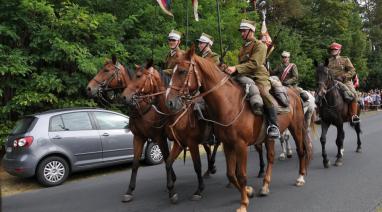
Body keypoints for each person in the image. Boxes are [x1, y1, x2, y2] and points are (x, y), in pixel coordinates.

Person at [225, 19, 280, 138]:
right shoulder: (244, 47)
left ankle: (273, 125)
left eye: (244, 31)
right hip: (244, 76)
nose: (242, 33)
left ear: (251, 31)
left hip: (258, 76)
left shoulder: (260, 45)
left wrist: (235, 68)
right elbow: (242, 64)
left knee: (263, 93)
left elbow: (254, 64)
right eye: (241, 31)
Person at [327, 42, 360, 123]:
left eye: (335, 49)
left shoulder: (345, 59)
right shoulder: (328, 61)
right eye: (332, 49)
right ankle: (322, 115)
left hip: (345, 81)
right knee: (320, 94)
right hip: (332, 82)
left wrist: (343, 76)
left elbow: (352, 70)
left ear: (339, 51)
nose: (333, 50)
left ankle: (354, 115)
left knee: (353, 94)